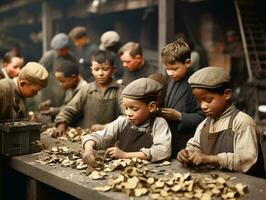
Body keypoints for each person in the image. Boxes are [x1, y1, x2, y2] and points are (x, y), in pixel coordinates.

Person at [177, 66, 265, 178]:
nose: (203, 106)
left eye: (208, 100)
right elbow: (194, 147)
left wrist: (210, 159)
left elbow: (247, 160)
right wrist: (186, 153)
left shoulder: (242, 122)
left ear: (227, 94)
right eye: (199, 101)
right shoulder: (204, 125)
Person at [82, 78, 172, 165]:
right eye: (126, 108)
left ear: (151, 107)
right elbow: (99, 137)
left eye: (134, 109)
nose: (128, 113)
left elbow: (163, 151)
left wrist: (125, 155)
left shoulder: (158, 124)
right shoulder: (123, 121)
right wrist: (88, 148)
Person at [53, 50, 123, 137]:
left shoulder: (120, 91)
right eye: (96, 69)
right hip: (88, 137)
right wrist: (61, 124)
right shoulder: (86, 89)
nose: (100, 73)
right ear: (92, 70)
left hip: (113, 137)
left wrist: (106, 127)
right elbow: (69, 109)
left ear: (113, 69)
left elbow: (127, 117)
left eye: (105, 69)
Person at [159, 40, 205, 158]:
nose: (170, 73)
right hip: (170, 138)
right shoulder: (172, 79)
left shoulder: (197, 84)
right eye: (167, 69)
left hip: (187, 142)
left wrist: (180, 116)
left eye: (174, 69)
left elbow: (204, 117)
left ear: (188, 63)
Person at [39, 33, 77, 107]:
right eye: (58, 50)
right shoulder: (49, 56)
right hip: (50, 94)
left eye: (62, 50)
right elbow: (39, 71)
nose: (60, 52)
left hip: (66, 93)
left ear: (67, 48)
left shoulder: (72, 57)